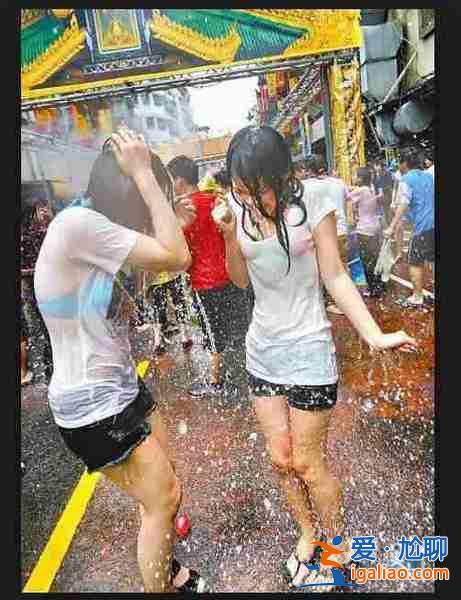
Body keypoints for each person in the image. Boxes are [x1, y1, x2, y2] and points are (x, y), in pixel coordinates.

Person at [215, 126, 416, 587]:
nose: (247, 197)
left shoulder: (313, 206)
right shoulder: (240, 214)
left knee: (307, 462)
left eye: (256, 187)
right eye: (240, 188)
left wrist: (374, 334)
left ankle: (339, 548)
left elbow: (337, 276)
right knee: (280, 457)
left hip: (308, 351)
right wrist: (229, 235)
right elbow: (241, 281)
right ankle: (308, 534)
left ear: (280, 176)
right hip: (261, 353)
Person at [34, 128, 208, 593]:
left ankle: (165, 568)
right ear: (129, 189)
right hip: (92, 406)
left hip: (119, 390)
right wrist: (147, 177)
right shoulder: (79, 225)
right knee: (163, 498)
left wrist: (167, 216)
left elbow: (154, 270)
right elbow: (177, 257)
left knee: (167, 488)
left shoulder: (93, 227)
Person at [167, 155, 237, 398]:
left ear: (179, 180)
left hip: (204, 281)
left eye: (170, 179)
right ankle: (229, 369)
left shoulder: (182, 210)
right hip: (228, 274)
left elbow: (180, 251)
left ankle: (216, 382)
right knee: (224, 325)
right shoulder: (216, 200)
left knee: (211, 328)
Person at [384, 151, 435, 308]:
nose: (399, 166)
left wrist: (392, 226)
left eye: (400, 162)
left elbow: (404, 204)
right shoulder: (428, 176)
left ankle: (417, 296)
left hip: (422, 226)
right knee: (433, 258)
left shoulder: (405, 180)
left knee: (414, 261)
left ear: (405, 163)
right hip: (434, 223)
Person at [304, 154, 350, 315]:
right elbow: (346, 202)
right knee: (342, 267)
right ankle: (346, 300)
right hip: (342, 230)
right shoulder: (339, 183)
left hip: (320, 234)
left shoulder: (306, 186)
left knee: (325, 269)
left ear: (308, 170)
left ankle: (333, 303)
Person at [21, 195, 53, 382]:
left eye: (46, 208)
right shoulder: (37, 232)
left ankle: (50, 367)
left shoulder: (43, 231)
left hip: (37, 283)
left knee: (41, 327)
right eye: (42, 208)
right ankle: (50, 366)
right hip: (36, 283)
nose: (45, 211)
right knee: (41, 327)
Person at [348, 167, 385, 298]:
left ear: (360, 178)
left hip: (365, 229)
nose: (353, 177)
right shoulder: (371, 188)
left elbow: (346, 196)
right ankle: (380, 284)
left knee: (366, 260)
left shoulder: (361, 190)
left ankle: (372, 288)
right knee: (375, 257)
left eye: (355, 175)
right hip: (375, 227)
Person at [374, 160, 394, 227]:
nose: (376, 167)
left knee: (389, 213)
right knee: (385, 214)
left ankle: (392, 227)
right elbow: (375, 186)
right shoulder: (375, 175)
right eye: (375, 165)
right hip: (380, 197)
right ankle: (389, 227)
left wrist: (383, 190)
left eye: (377, 165)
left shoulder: (387, 174)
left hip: (387, 196)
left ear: (381, 166)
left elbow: (390, 185)